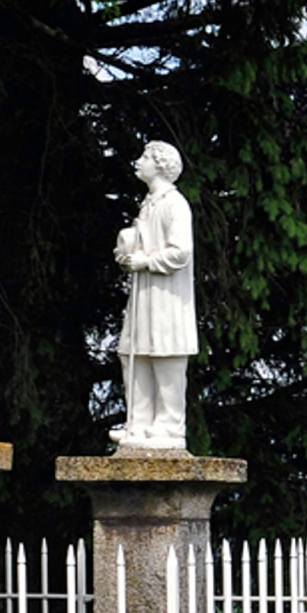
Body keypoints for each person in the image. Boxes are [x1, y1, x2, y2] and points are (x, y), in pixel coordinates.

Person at [112, 141, 196, 450]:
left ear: (160, 165)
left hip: (167, 297)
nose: (138, 161)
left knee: (165, 354)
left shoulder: (174, 204)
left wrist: (146, 261)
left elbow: (181, 252)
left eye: (144, 157)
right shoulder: (148, 203)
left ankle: (170, 427)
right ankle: (138, 422)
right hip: (144, 295)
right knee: (133, 352)